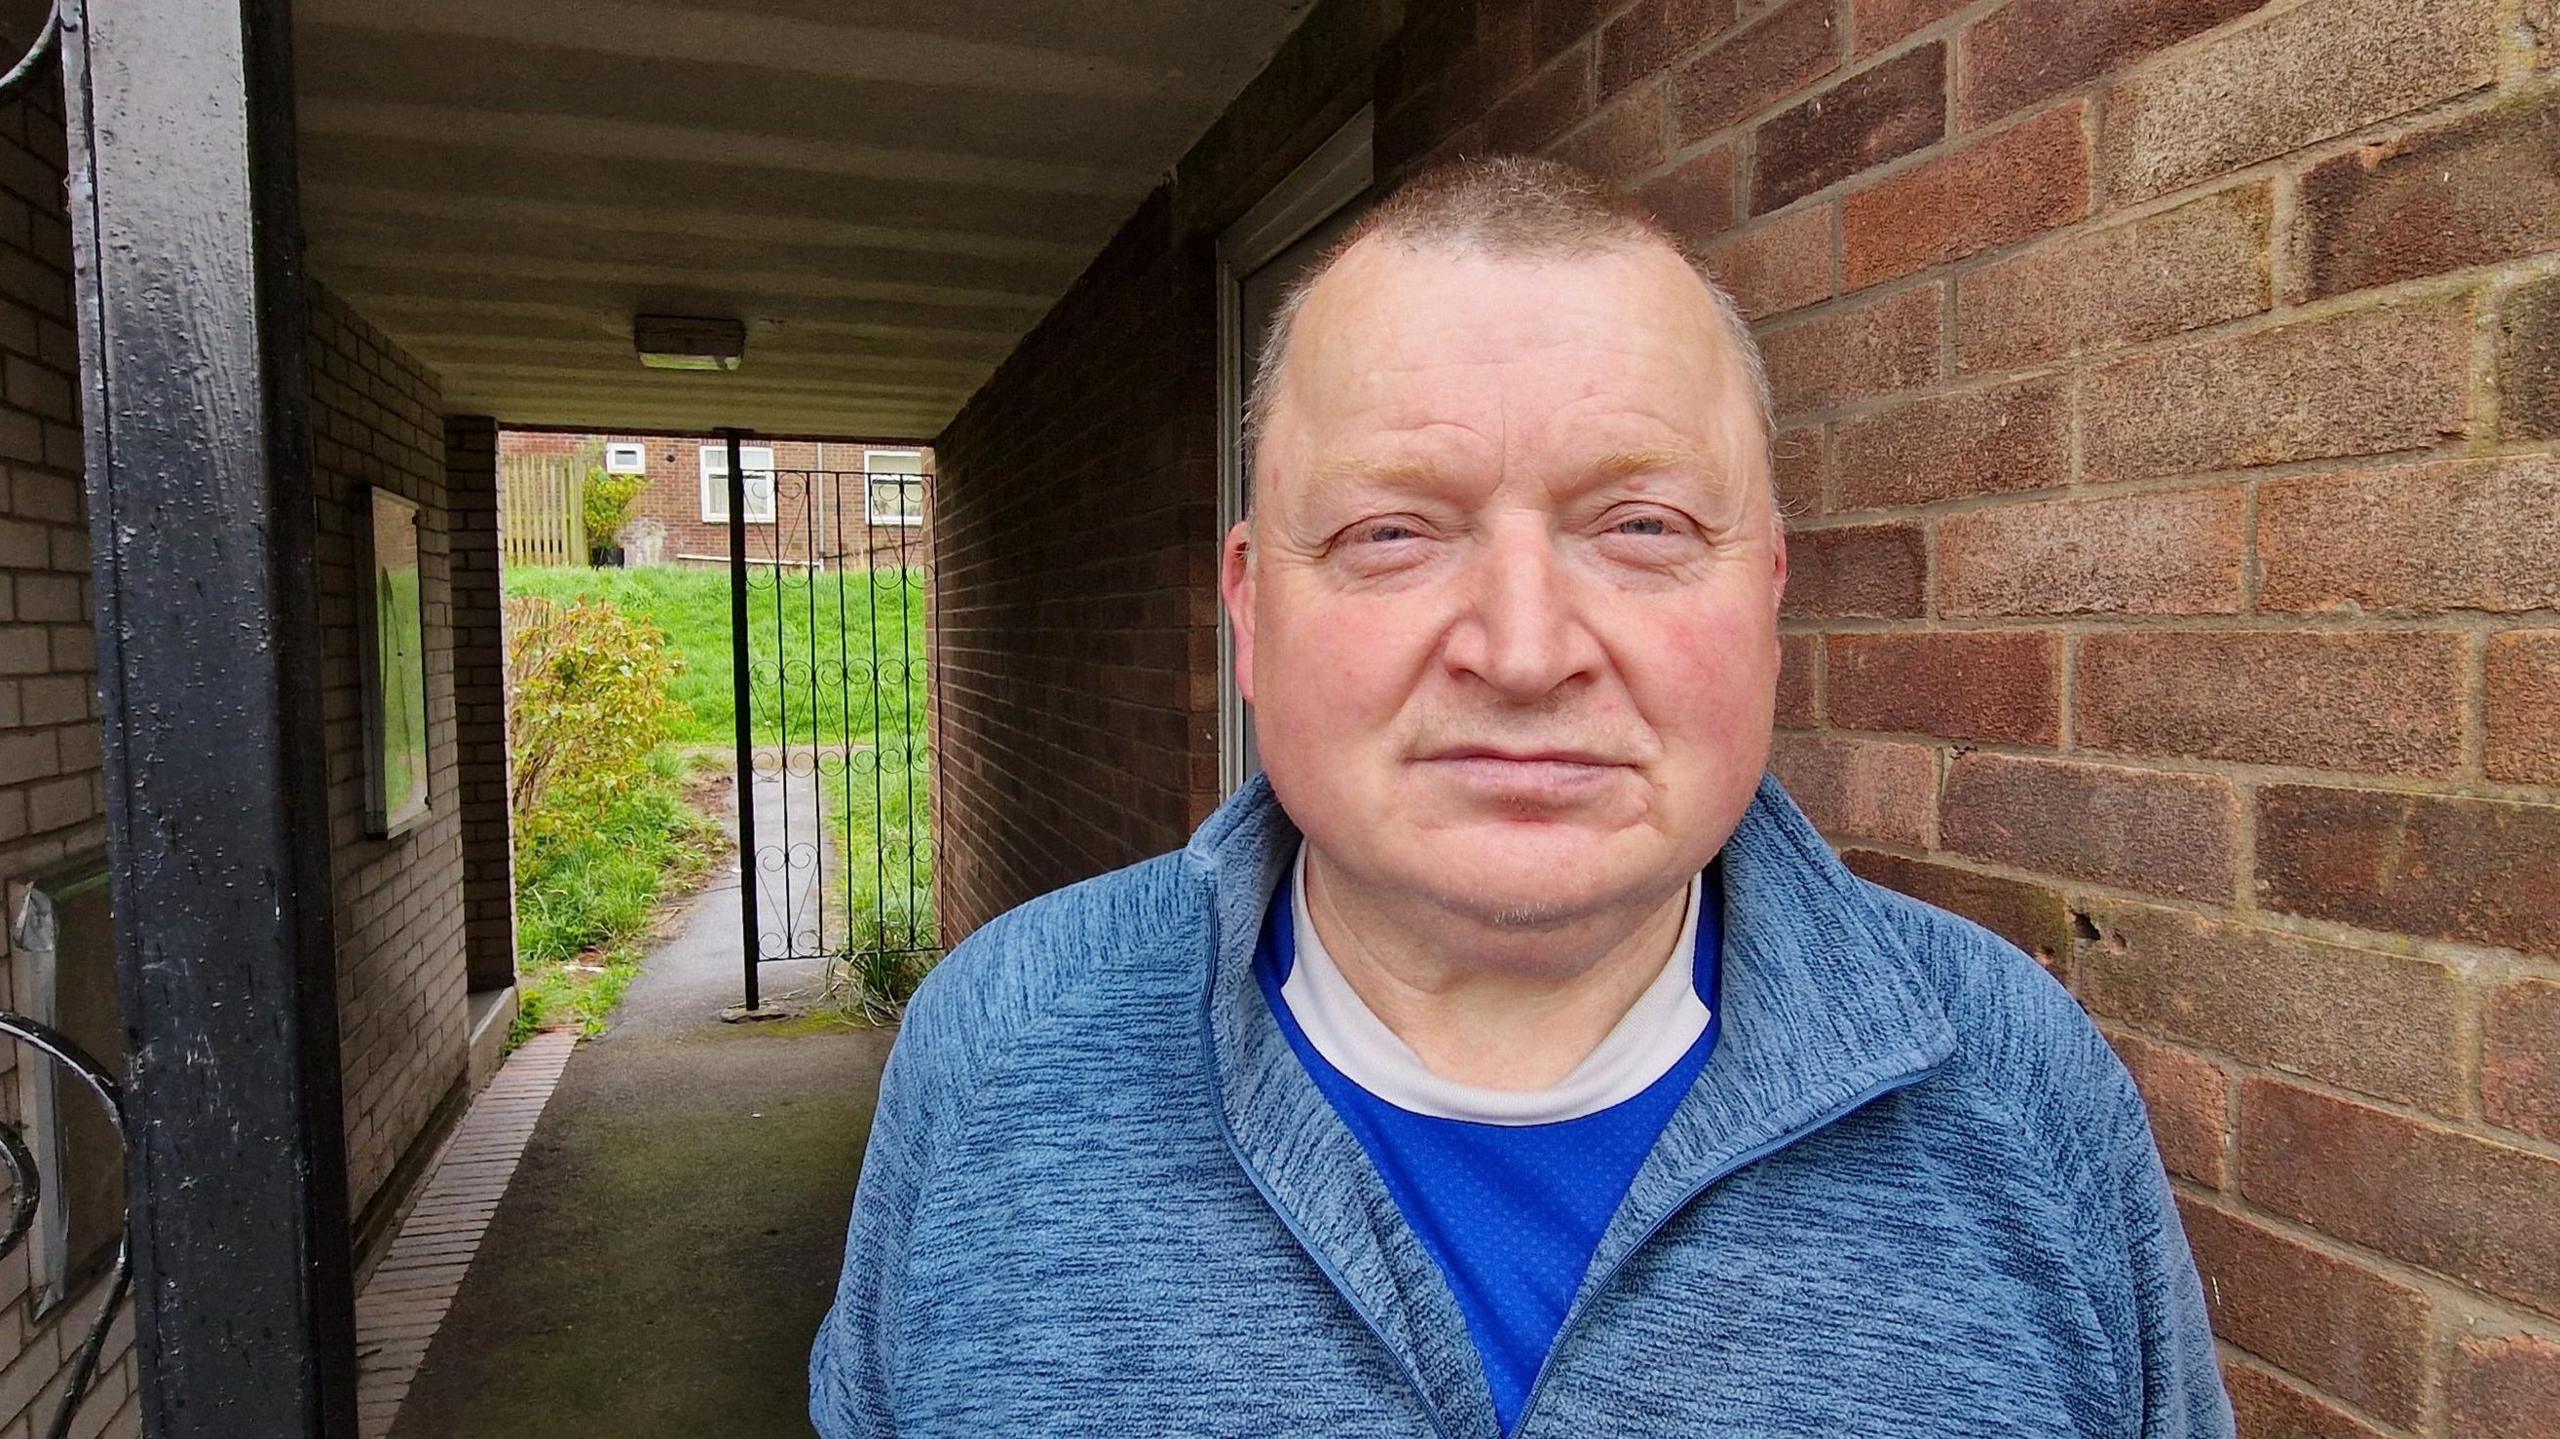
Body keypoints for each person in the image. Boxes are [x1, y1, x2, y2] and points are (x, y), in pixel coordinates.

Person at [810, 155, 2233, 1439]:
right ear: (1252, 610)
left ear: (1769, 593)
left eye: (1642, 527)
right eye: (1392, 533)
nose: (1527, 648)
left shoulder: (2018, 1082)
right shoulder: (996, 1047)